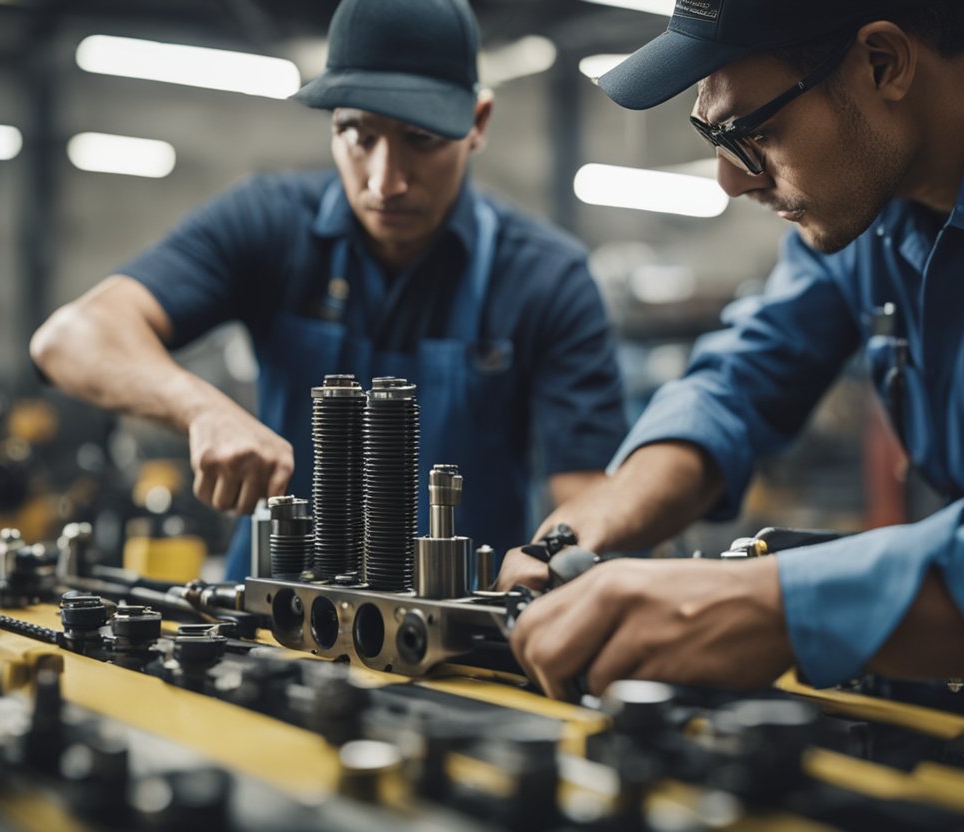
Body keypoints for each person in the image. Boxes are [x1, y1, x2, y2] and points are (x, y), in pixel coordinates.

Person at [502, 0, 964, 744]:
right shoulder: (873, 195)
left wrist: (775, 605)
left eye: (752, 133)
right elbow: (747, 374)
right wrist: (594, 519)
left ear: (882, 62)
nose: (728, 179)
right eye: (714, 135)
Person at [31, 0, 627, 579]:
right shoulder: (268, 224)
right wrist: (200, 409)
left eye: (420, 138)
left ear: (476, 123)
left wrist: (553, 567)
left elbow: (585, 495)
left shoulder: (548, 278)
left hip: (460, 638)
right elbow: (69, 338)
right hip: (272, 622)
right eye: (356, 133)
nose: (385, 180)